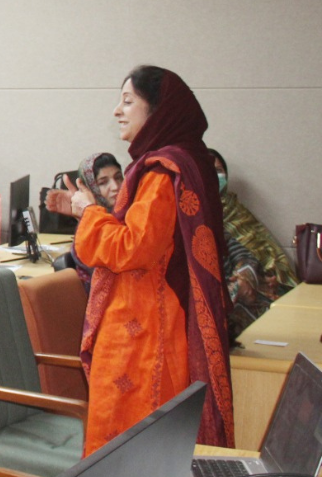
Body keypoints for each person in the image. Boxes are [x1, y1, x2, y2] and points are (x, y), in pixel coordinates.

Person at [51, 66, 234, 453]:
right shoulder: (188, 161)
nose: (117, 110)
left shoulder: (161, 172)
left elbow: (130, 249)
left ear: (158, 109)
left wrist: (89, 213)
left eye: (128, 100)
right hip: (162, 318)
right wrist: (86, 212)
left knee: (130, 451)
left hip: (145, 332)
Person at [211, 149, 298, 293]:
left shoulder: (236, 209)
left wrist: (259, 277)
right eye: (208, 171)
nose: (214, 176)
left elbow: (256, 250)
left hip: (253, 281)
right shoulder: (192, 213)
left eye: (219, 170)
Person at [67, 153, 125, 290]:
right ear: (90, 189)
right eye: (103, 182)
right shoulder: (88, 229)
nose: (116, 187)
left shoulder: (132, 215)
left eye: (118, 178)